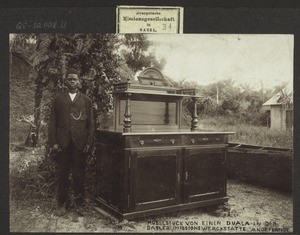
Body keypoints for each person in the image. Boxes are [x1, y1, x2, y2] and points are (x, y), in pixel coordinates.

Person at [49, 68, 95, 216]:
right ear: (65, 81)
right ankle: (62, 203)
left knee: (79, 174)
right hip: (63, 143)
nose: (72, 81)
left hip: (80, 144)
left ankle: (79, 203)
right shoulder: (58, 99)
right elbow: (52, 123)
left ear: (79, 81)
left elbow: (91, 124)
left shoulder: (86, 100)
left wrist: (88, 143)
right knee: (62, 174)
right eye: (69, 79)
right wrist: (54, 142)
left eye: (75, 79)